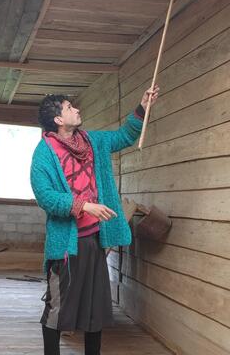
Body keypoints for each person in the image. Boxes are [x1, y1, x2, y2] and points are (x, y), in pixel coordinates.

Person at [30, 85, 159, 355]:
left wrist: (143, 107)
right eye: (70, 107)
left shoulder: (92, 141)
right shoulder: (44, 153)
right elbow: (45, 196)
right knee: (57, 309)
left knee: (94, 308)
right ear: (58, 119)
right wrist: (83, 205)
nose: (77, 109)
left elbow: (124, 136)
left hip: (95, 240)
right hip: (67, 245)